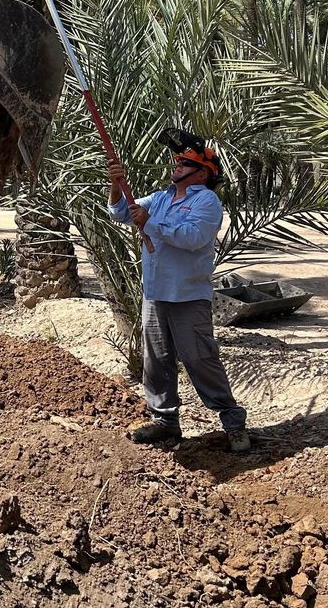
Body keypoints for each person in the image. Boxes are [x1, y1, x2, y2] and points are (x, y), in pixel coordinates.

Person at [107, 131, 251, 453]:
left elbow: (193, 238)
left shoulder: (206, 201)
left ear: (202, 173)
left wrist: (150, 224)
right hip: (155, 293)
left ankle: (232, 421)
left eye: (185, 162)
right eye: (178, 160)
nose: (177, 164)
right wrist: (117, 184)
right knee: (156, 360)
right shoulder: (159, 198)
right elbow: (119, 213)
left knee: (200, 358)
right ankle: (165, 423)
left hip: (187, 295)